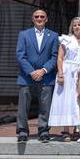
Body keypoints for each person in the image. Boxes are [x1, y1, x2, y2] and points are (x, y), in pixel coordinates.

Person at [15, 8, 59, 143]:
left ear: (46, 19)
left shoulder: (53, 36)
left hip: (46, 77)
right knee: (23, 106)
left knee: (45, 106)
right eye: (37, 17)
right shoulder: (24, 34)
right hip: (26, 77)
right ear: (32, 19)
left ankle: (43, 131)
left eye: (42, 17)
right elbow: (20, 55)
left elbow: (55, 56)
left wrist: (43, 70)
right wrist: (32, 72)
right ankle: (22, 131)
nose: (39, 19)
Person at [48, 17, 80, 141]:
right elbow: (60, 58)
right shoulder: (66, 40)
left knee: (78, 101)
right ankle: (66, 130)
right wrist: (61, 74)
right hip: (67, 72)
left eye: (79, 25)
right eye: (75, 25)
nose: (77, 27)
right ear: (71, 27)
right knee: (66, 101)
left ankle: (77, 129)